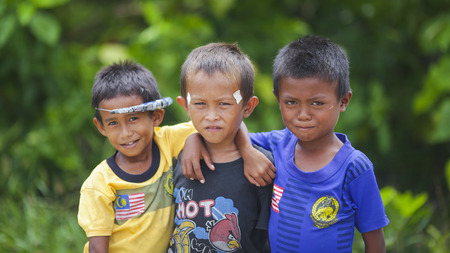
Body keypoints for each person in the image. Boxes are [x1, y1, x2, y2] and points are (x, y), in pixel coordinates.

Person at [183, 35, 389, 252]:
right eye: (291, 102)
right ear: (278, 98)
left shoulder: (354, 168)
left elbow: (375, 242)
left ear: (343, 101)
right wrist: (194, 139)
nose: (303, 115)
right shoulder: (277, 144)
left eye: (317, 103)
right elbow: (229, 132)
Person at [77, 60, 196, 253]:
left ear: (156, 117)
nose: (125, 133)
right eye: (113, 123)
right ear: (101, 127)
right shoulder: (100, 184)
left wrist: (194, 141)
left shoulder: (167, 141)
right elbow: (98, 250)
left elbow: (216, 125)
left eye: (133, 118)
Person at [167, 42, 273, 253]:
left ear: (248, 106)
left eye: (224, 104)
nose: (212, 115)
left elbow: (270, 239)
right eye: (200, 104)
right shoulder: (177, 155)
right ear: (185, 106)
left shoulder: (261, 167)